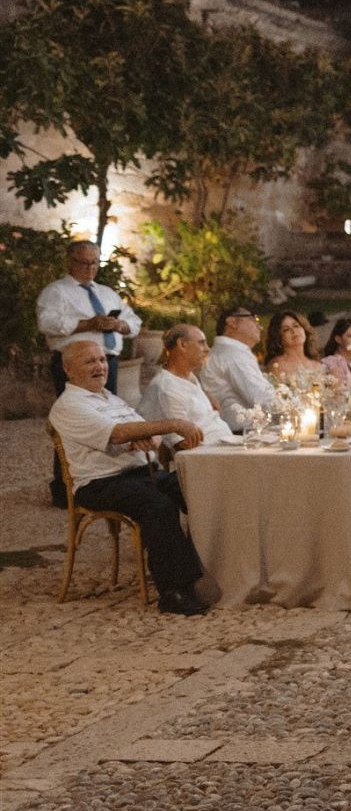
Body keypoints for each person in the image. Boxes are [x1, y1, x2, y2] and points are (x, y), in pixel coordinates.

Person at [49, 339, 211, 615]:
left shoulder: (110, 399)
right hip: (100, 482)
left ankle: (219, 571)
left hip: (139, 473)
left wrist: (151, 436)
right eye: (90, 361)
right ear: (68, 369)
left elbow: (145, 430)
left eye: (102, 360)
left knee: (200, 488)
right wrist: (171, 424)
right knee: (157, 505)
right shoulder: (69, 406)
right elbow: (119, 433)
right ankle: (174, 591)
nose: (100, 366)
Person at [38, 239, 143, 503]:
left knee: (108, 419)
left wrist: (118, 325)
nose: (89, 268)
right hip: (76, 363)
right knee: (75, 421)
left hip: (108, 361)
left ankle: (111, 474)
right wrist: (87, 324)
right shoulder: (57, 291)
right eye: (83, 263)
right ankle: (65, 486)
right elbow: (48, 323)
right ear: (70, 262)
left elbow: (135, 323)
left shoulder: (107, 293)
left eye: (94, 262)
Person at [137, 324, 238, 447]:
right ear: (182, 344)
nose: (207, 349)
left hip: (226, 445)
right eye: (201, 343)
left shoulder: (187, 377)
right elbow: (182, 445)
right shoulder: (167, 388)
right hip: (209, 455)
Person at [199, 308, 275, 432]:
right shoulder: (232, 355)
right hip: (242, 435)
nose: (259, 325)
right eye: (253, 318)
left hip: (243, 432)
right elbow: (261, 397)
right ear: (232, 322)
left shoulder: (232, 352)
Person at [263, 310, 322, 377]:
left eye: (296, 326)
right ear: (278, 338)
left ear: (304, 329)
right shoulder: (277, 366)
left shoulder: (318, 366)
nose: (293, 331)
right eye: (286, 330)